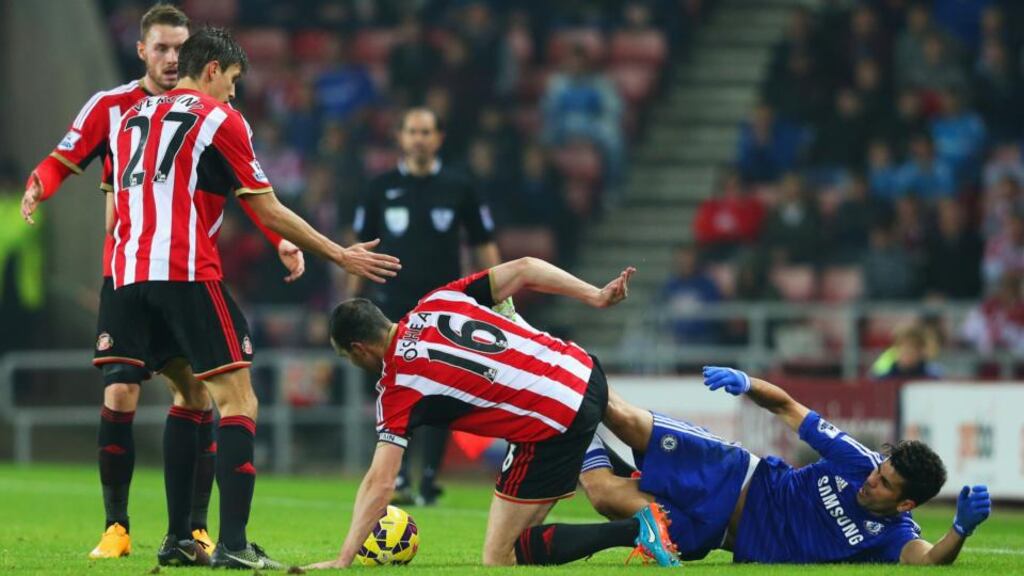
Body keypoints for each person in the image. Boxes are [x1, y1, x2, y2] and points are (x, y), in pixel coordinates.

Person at [103, 27, 400, 568]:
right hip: (185, 272)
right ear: (212, 69)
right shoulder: (218, 118)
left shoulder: (129, 118)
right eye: (234, 79)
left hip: (126, 276)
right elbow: (267, 206)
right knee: (240, 401)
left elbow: (168, 190)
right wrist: (341, 254)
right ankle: (234, 546)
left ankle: (179, 539)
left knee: (189, 395)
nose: (236, 94)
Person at [18, 4, 306, 560]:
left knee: (195, 391)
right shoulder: (116, 108)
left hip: (174, 265)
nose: (173, 58)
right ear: (142, 50)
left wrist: (279, 241)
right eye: (163, 48)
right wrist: (37, 185)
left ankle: (189, 532)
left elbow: (237, 192)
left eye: (181, 48)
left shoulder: (202, 114)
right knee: (127, 390)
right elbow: (64, 158)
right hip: (133, 271)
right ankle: (118, 525)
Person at [311, 257, 683, 568]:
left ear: (359, 350)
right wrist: (595, 294)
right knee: (611, 475)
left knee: (500, 554)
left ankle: (640, 529)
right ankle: (689, 498)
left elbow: (381, 482)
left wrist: (344, 558)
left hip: (551, 420)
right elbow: (524, 267)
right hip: (581, 369)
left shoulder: (398, 388)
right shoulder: (437, 300)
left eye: (348, 357)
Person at [580, 366, 992, 565]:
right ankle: (567, 369)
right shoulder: (857, 460)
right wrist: (747, 382)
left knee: (603, 494)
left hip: (718, 531)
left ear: (905, 505)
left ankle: (562, 428)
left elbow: (928, 561)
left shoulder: (891, 537)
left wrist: (960, 530)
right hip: (733, 473)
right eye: (878, 469)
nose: (871, 480)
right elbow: (788, 407)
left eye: (884, 484)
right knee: (621, 416)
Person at [349, 107, 501, 506]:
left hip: (443, 308)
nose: (418, 138)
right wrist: (351, 302)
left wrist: (499, 298)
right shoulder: (378, 187)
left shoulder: (460, 185)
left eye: (425, 132)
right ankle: (397, 476)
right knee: (394, 390)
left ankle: (429, 477)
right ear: (400, 136)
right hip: (389, 308)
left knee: (440, 390)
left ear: (438, 138)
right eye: (411, 131)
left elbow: (483, 242)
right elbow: (358, 250)